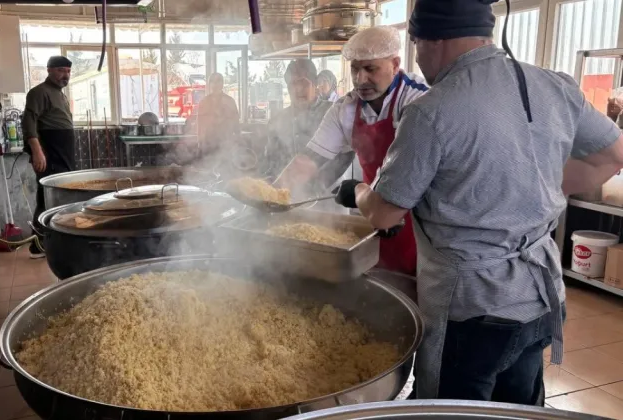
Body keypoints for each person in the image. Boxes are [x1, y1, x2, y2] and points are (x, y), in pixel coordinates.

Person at [334, 0, 623, 405]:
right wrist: (532, 187)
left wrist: (359, 192)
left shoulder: (431, 110)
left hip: (472, 311)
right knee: (518, 411)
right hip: (540, 296)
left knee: (451, 412)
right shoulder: (553, 84)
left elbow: (384, 212)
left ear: (426, 41)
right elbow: (612, 155)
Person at [275, 26, 428, 275]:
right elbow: (307, 161)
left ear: (395, 63)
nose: (360, 79)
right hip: (372, 221)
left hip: (422, 230)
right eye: (355, 69)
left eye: (370, 69)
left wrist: (361, 192)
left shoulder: (419, 101)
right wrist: (272, 197)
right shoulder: (345, 109)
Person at [22, 55, 75, 259]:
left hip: (63, 151)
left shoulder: (60, 94)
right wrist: (37, 151)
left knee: (61, 197)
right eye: (61, 70)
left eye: (68, 71)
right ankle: (38, 246)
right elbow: (29, 123)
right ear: (49, 70)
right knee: (47, 198)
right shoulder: (39, 92)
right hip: (50, 152)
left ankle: (56, 241)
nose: (65, 75)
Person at [264, 59, 333, 179]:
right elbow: (272, 160)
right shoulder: (278, 120)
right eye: (292, 84)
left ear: (315, 83)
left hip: (328, 192)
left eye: (303, 83)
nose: (298, 89)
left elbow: (342, 160)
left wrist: (316, 185)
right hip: (286, 190)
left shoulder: (332, 113)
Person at [196, 73, 240, 153]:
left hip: (226, 142)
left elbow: (236, 123)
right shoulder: (203, 102)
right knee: (208, 164)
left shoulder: (230, 101)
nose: (215, 84)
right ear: (209, 84)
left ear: (222, 84)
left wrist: (237, 141)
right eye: (212, 82)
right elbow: (200, 124)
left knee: (225, 164)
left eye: (218, 81)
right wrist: (199, 142)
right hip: (208, 143)